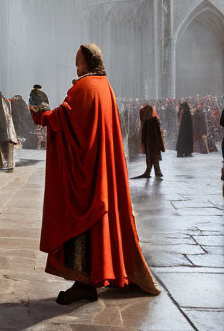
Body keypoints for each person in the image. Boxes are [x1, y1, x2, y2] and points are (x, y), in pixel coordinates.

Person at [30, 44, 159, 304]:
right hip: (99, 168)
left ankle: (84, 283)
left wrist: (40, 112)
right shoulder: (104, 86)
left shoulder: (84, 87)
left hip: (85, 175)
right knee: (99, 223)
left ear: (87, 63)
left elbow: (62, 119)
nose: (75, 67)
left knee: (82, 225)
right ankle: (102, 273)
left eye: (78, 62)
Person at [136, 104, 164, 178]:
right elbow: (158, 134)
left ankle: (152, 172)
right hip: (153, 143)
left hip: (150, 143)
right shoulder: (153, 120)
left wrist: (144, 142)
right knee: (154, 157)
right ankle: (155, 171)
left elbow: (145, 134)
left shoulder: (148, 121)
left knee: (152, 157)